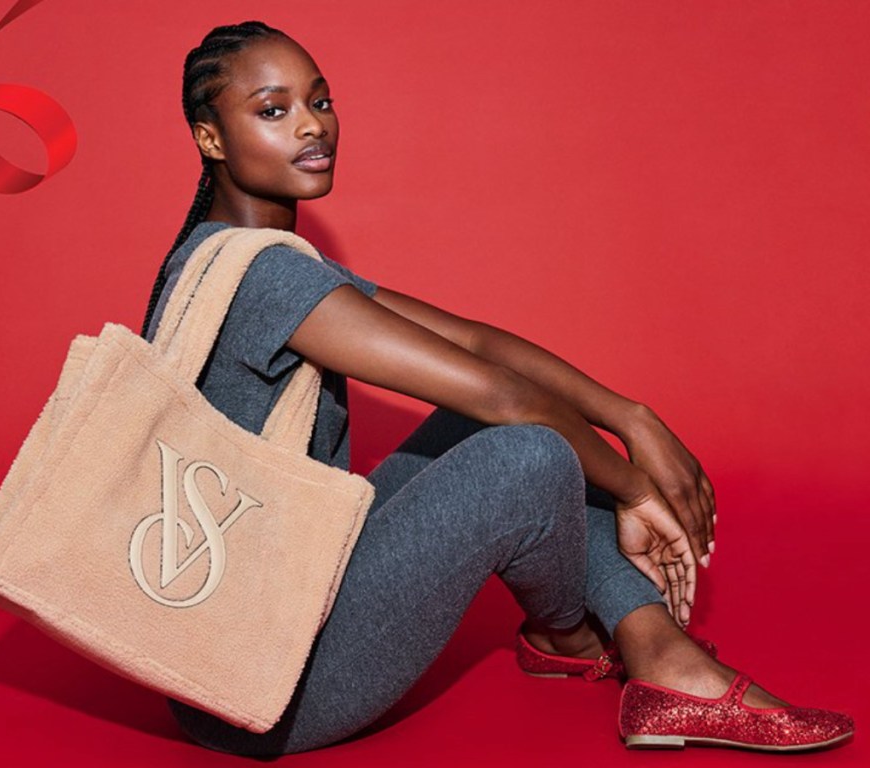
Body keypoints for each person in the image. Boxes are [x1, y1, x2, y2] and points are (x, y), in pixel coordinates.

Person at [138, 20, 854, 756]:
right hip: (262, 686)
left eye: (321, 101)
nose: (313, 126)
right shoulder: (266, 276)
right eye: (273, 110)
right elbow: (505, 398)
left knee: (489, 427)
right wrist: (637, 489)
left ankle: (631, 650)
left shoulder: (251, 259)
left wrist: (631, 416)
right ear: (211, 139)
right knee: (527, 454)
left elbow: (475, 342)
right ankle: (589, 637)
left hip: (275, 610)